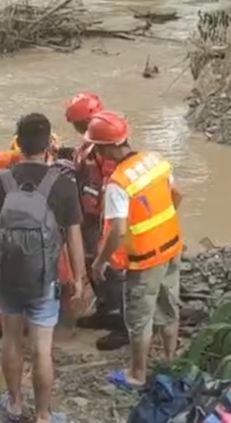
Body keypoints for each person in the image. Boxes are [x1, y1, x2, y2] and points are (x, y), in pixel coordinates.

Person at [0, 113, 86, 423]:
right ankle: (44, 416)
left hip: (5, 277)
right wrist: (79, 280)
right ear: (48, 145)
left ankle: (16, 404)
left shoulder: (0, 181)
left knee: (11, 339)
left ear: (17, 142)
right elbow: (74, 238)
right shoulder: (63, 184)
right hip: (43, 279)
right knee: (42, 349)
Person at [86, 111, 184, 389]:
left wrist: (100, 263)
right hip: (171, 248)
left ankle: (137, 375)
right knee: (169, 307)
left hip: (145, 260)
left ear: (106, 148)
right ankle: (169, 361)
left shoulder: (118, 183)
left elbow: (118, 232)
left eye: (98, 147)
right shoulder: (156, 160)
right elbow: (178, 195)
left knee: (139, 319)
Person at [63, 94, 129, 350]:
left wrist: (96, 215)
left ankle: (122, 325)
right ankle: (106, 309)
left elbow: (111, 183)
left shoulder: (105, 146)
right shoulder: (92, 144)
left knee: (111, 267)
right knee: (93, 263)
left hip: (102, 216)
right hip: (89, 215)